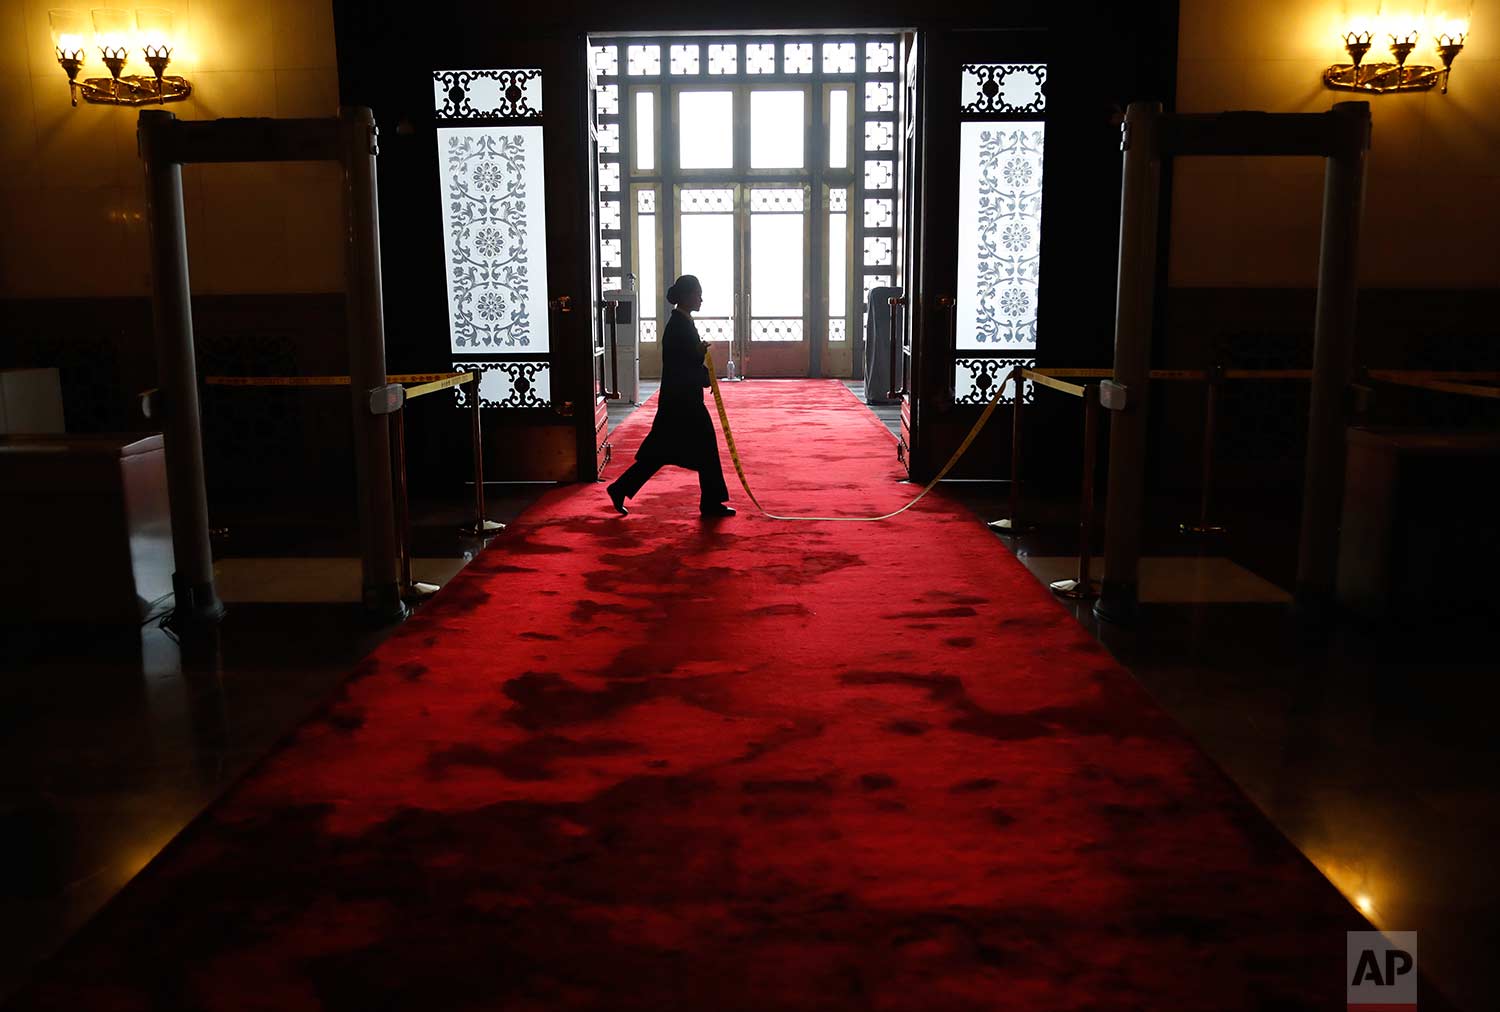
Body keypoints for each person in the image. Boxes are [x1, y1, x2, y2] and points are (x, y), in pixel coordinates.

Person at [607, 275, 735, 518]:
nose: (701, 299)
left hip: (680, 401)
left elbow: (685, 360)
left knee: (661, 453)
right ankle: (710, 502)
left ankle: (620, 488)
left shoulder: (682, 322)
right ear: (686, 296)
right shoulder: (679, 326)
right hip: (682, 403)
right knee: (702, 446)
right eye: (697, 294)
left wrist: (698, 359)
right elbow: (680, 366)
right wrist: (701, 365)